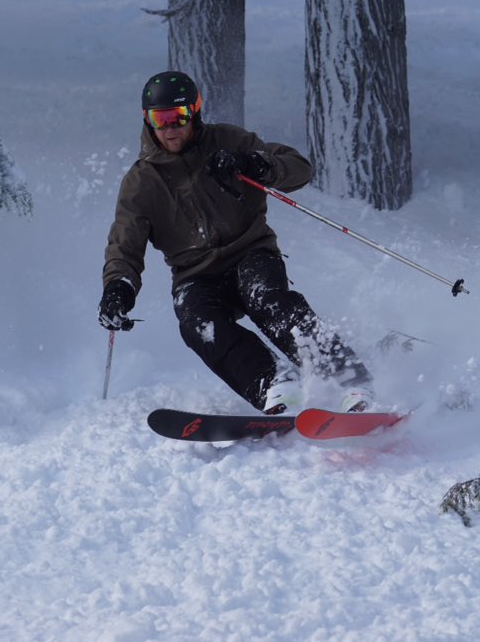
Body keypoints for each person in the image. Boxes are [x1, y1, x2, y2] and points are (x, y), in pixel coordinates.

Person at [98, 70, 372, 415]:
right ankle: (274, 384)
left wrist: (255, 163)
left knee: (267, 298)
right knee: (198, 323)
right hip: (195, 274)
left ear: (195, 112)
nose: (170, 128)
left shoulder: (228, 141)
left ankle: (347, 376)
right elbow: (125, 242)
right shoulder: (141, 182)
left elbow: (299, 168)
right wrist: (118, 287)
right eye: (160, 119)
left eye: (178, 117)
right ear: (148, 121)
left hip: (250, 251)